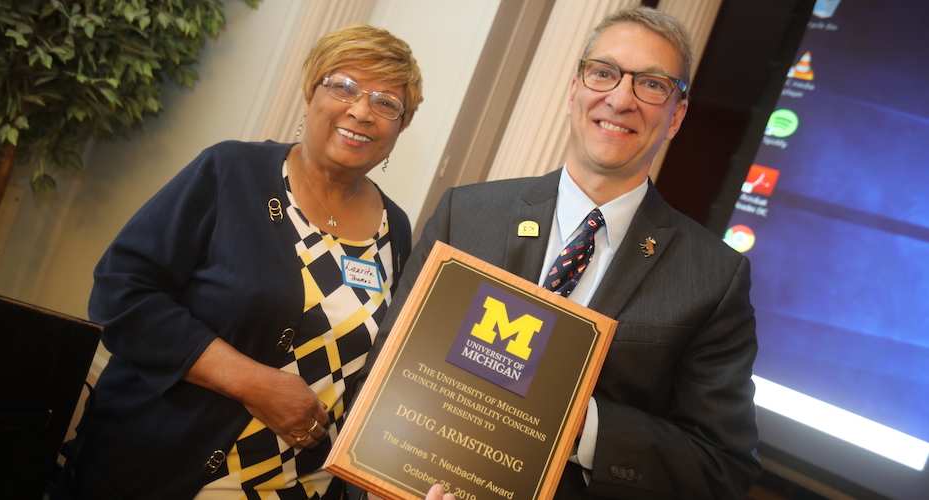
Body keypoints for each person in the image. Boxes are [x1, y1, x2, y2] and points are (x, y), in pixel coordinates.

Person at [361, 7, 760, 500]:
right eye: (604, 73)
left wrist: (573, 422)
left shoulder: (713, 278)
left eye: (652, 84)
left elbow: (722, 466)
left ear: (676, 115)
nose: (620, 98)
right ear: (574, 89)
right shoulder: (465, 214)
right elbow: (385, 377)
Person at [55, 24, 423, 500]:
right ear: (311, 93)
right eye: (344, 86)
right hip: (155, 474)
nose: (360, 110)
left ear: (400, 127)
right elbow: (122, 293)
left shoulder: (396, 230)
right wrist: (257, 385)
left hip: (300, 488)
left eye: (386, 103)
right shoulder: (230, 172)